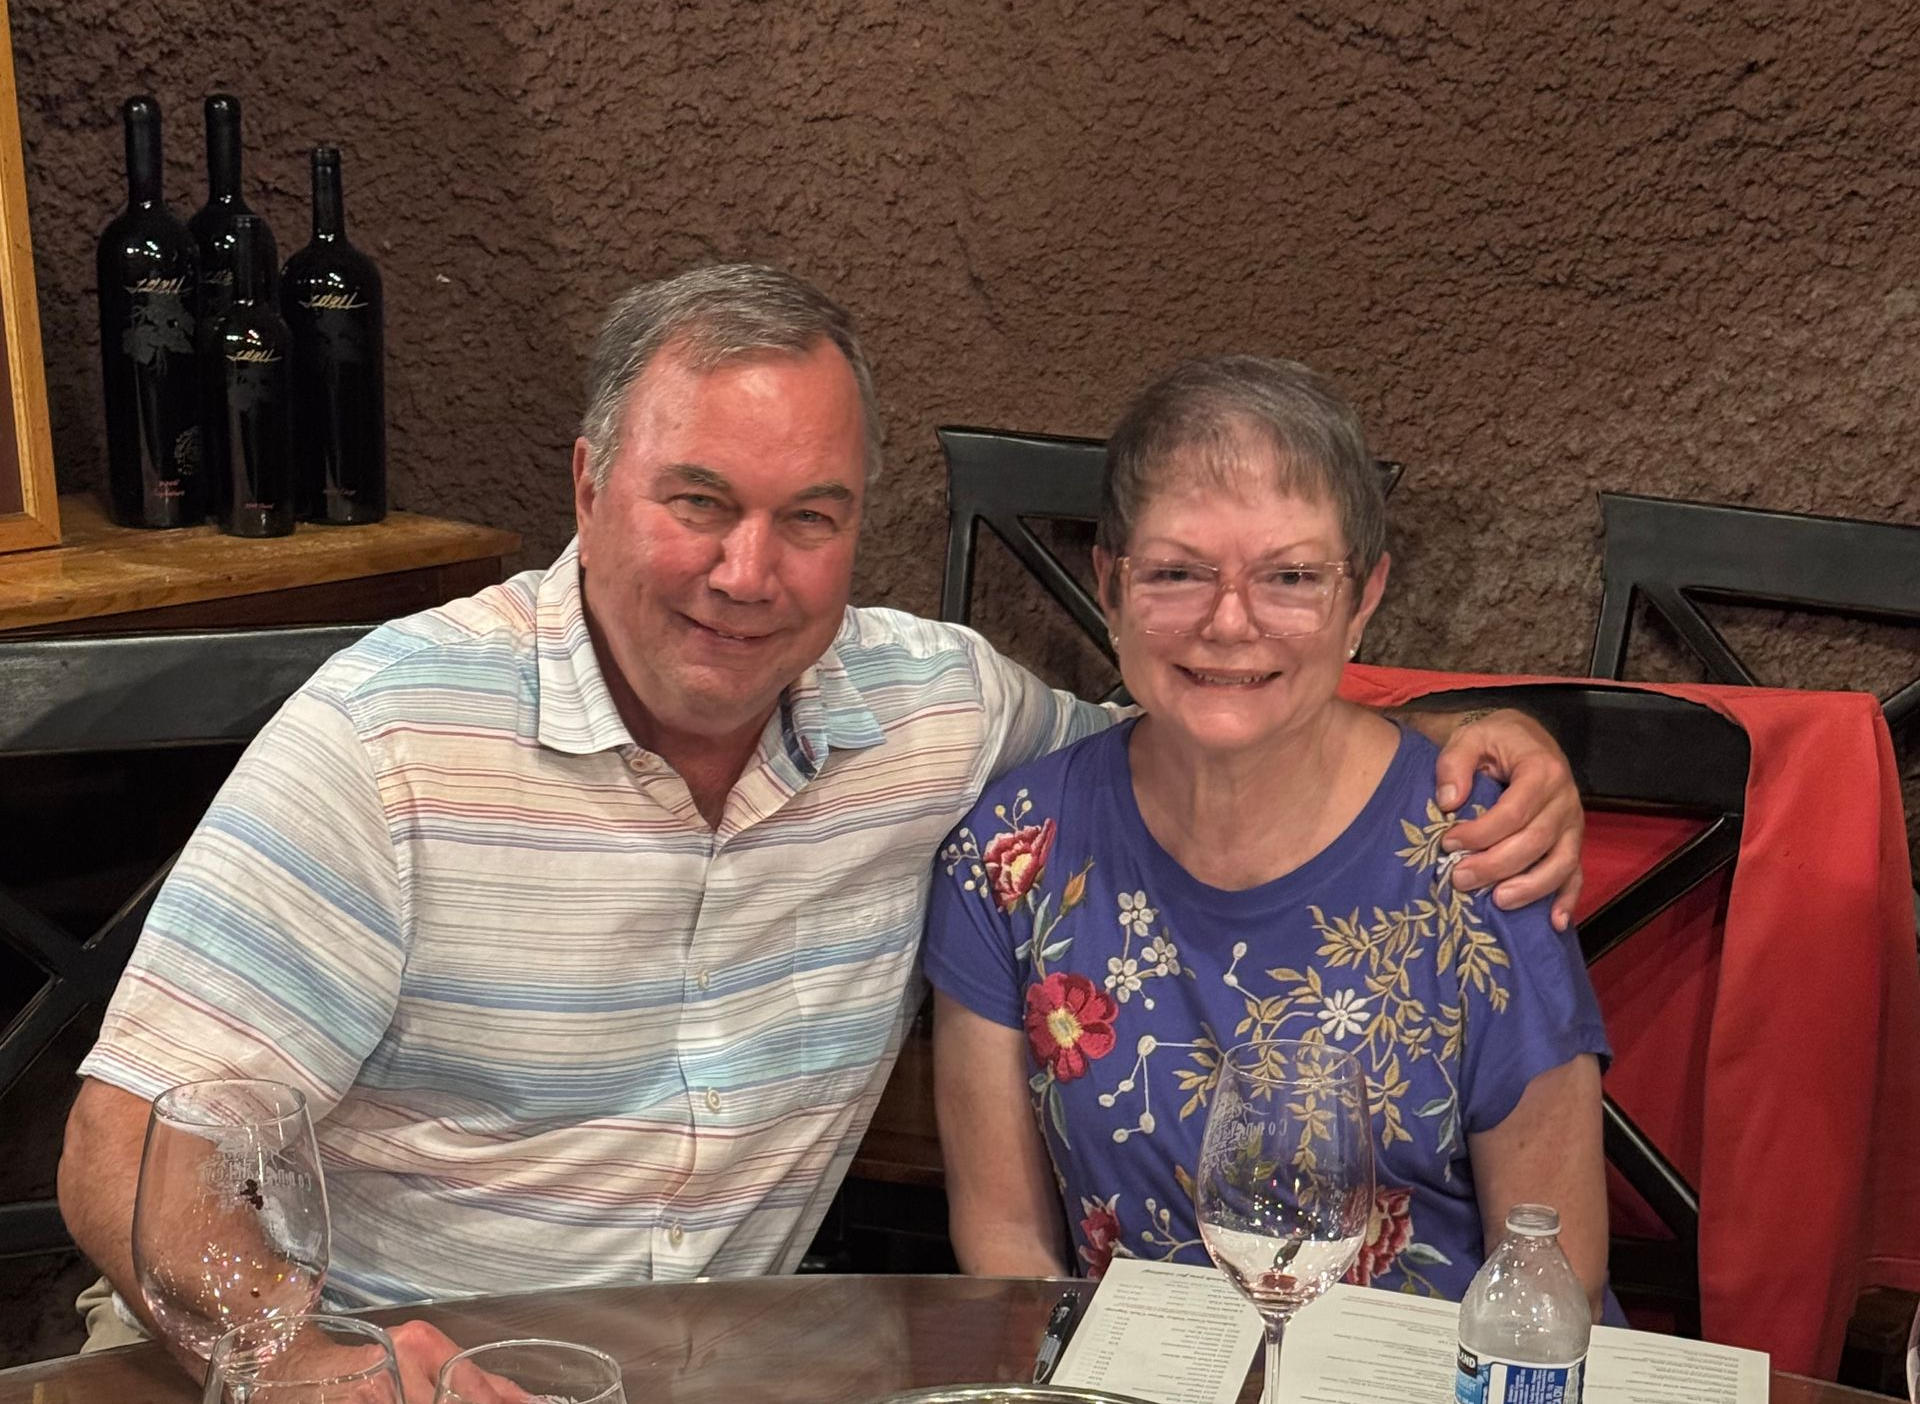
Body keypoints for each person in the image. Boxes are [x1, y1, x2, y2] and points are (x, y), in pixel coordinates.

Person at [58, 267, 1587, 1390]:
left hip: (715, 1378)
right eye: (697, 500)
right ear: (588, 487)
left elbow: (1216, 723)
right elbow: (126, 1156)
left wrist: (1456, 737)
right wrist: (307, 1365)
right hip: (384, 1370)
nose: (749, 571)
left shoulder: (936, 716)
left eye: (811, 517)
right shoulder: (389, 738)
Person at [924, 355, 1613, 1317]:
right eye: (1176, 573)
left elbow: (1556, 1274)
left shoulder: (1484, 852)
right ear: (1110, 587)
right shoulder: (1013, 856)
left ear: (1363, 598)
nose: (1229, 622)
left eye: (1290, 576)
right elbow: (1007, 1242)